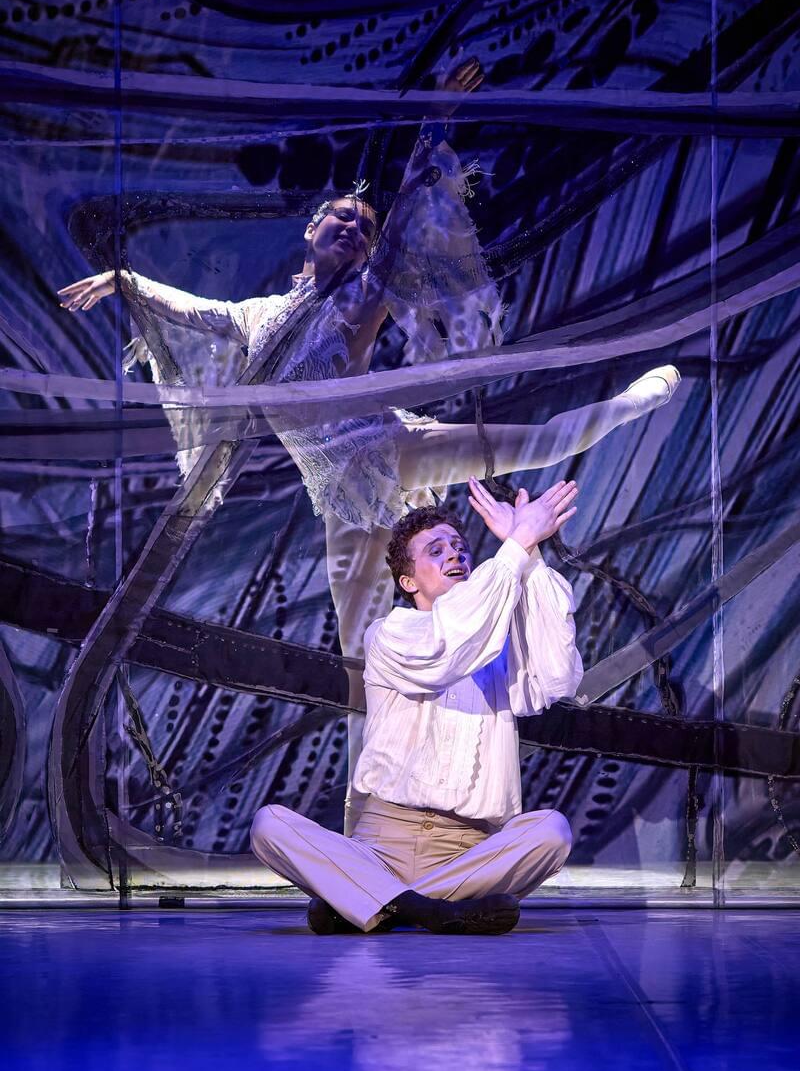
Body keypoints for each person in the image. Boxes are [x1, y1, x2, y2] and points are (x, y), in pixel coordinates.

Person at [57, 57, 679, 831]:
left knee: (541, 444)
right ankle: (365, 817)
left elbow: (407, 222)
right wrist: (124, 280)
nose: (353, 228)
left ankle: (628, 403)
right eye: (340, 220)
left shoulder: (359, 299)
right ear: (311, 232)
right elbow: (195, 311)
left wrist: (434, 123)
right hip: (344, 501)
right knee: (360, 661)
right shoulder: (257, 318)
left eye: (362, 226)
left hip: (393, 447)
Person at [250, 475, 582, 934]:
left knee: (552, 832)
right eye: (436, 550)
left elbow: (557, 676)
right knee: (269, 825)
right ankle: (435, 911)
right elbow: (449, 649)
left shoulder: (498, 645)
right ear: (408, 581)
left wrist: (529, 553)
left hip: (468, 852)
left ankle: (372, 901)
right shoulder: (391, 634)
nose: (455, 555)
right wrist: (517, 541)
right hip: (380, 845)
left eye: (460, 547)